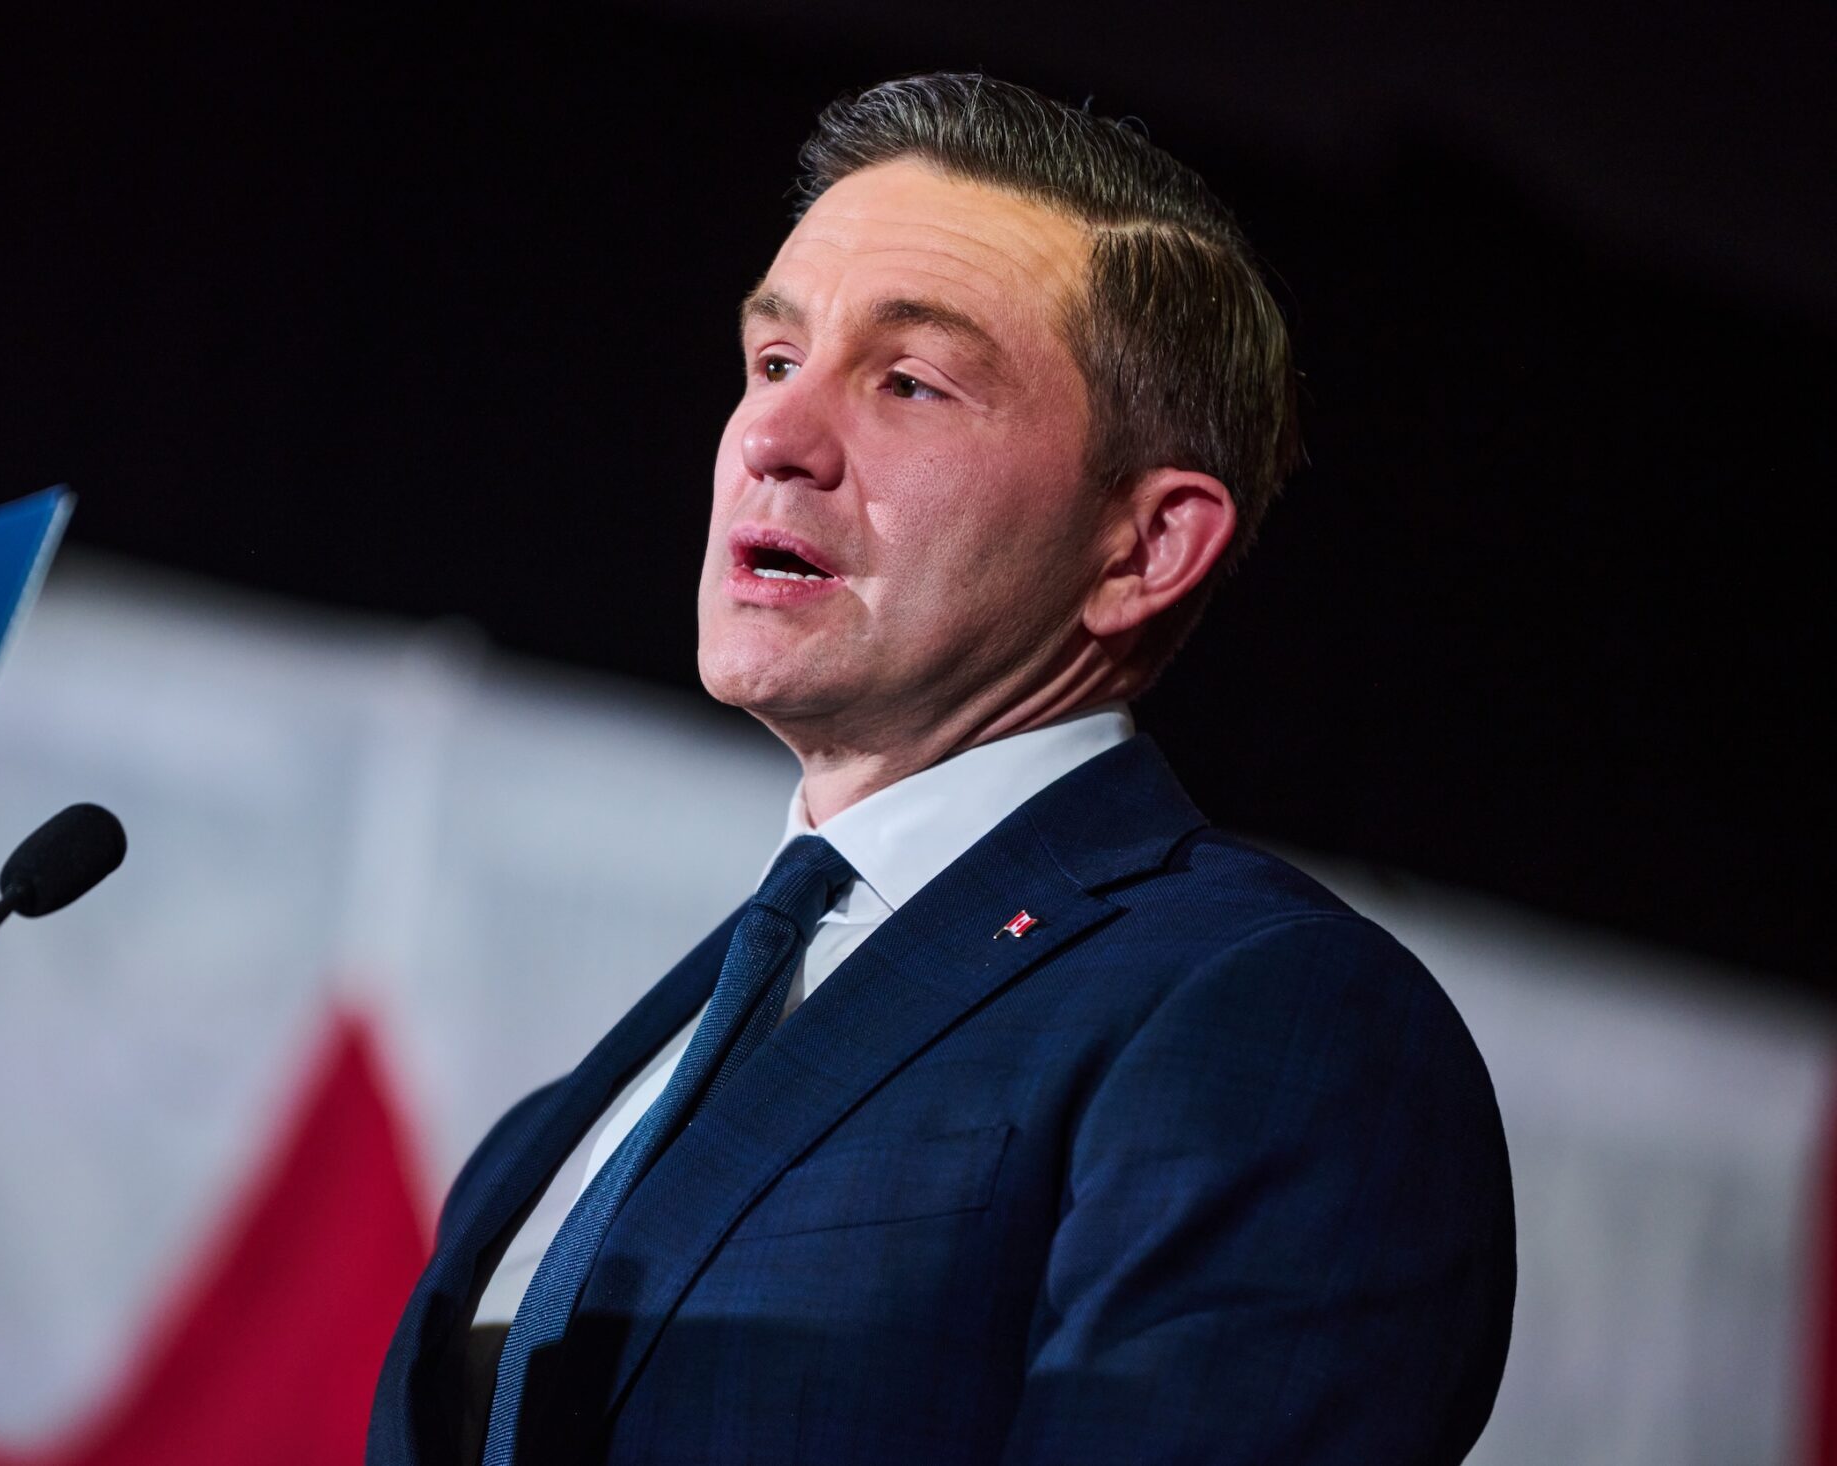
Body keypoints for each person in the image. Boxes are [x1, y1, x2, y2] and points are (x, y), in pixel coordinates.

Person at [370, 73, 1514, 1465]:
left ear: (1144, 548)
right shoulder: (588, 1106)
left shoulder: (1277, 1021)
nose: (774, 442)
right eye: (776, 361)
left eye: (909, 381)